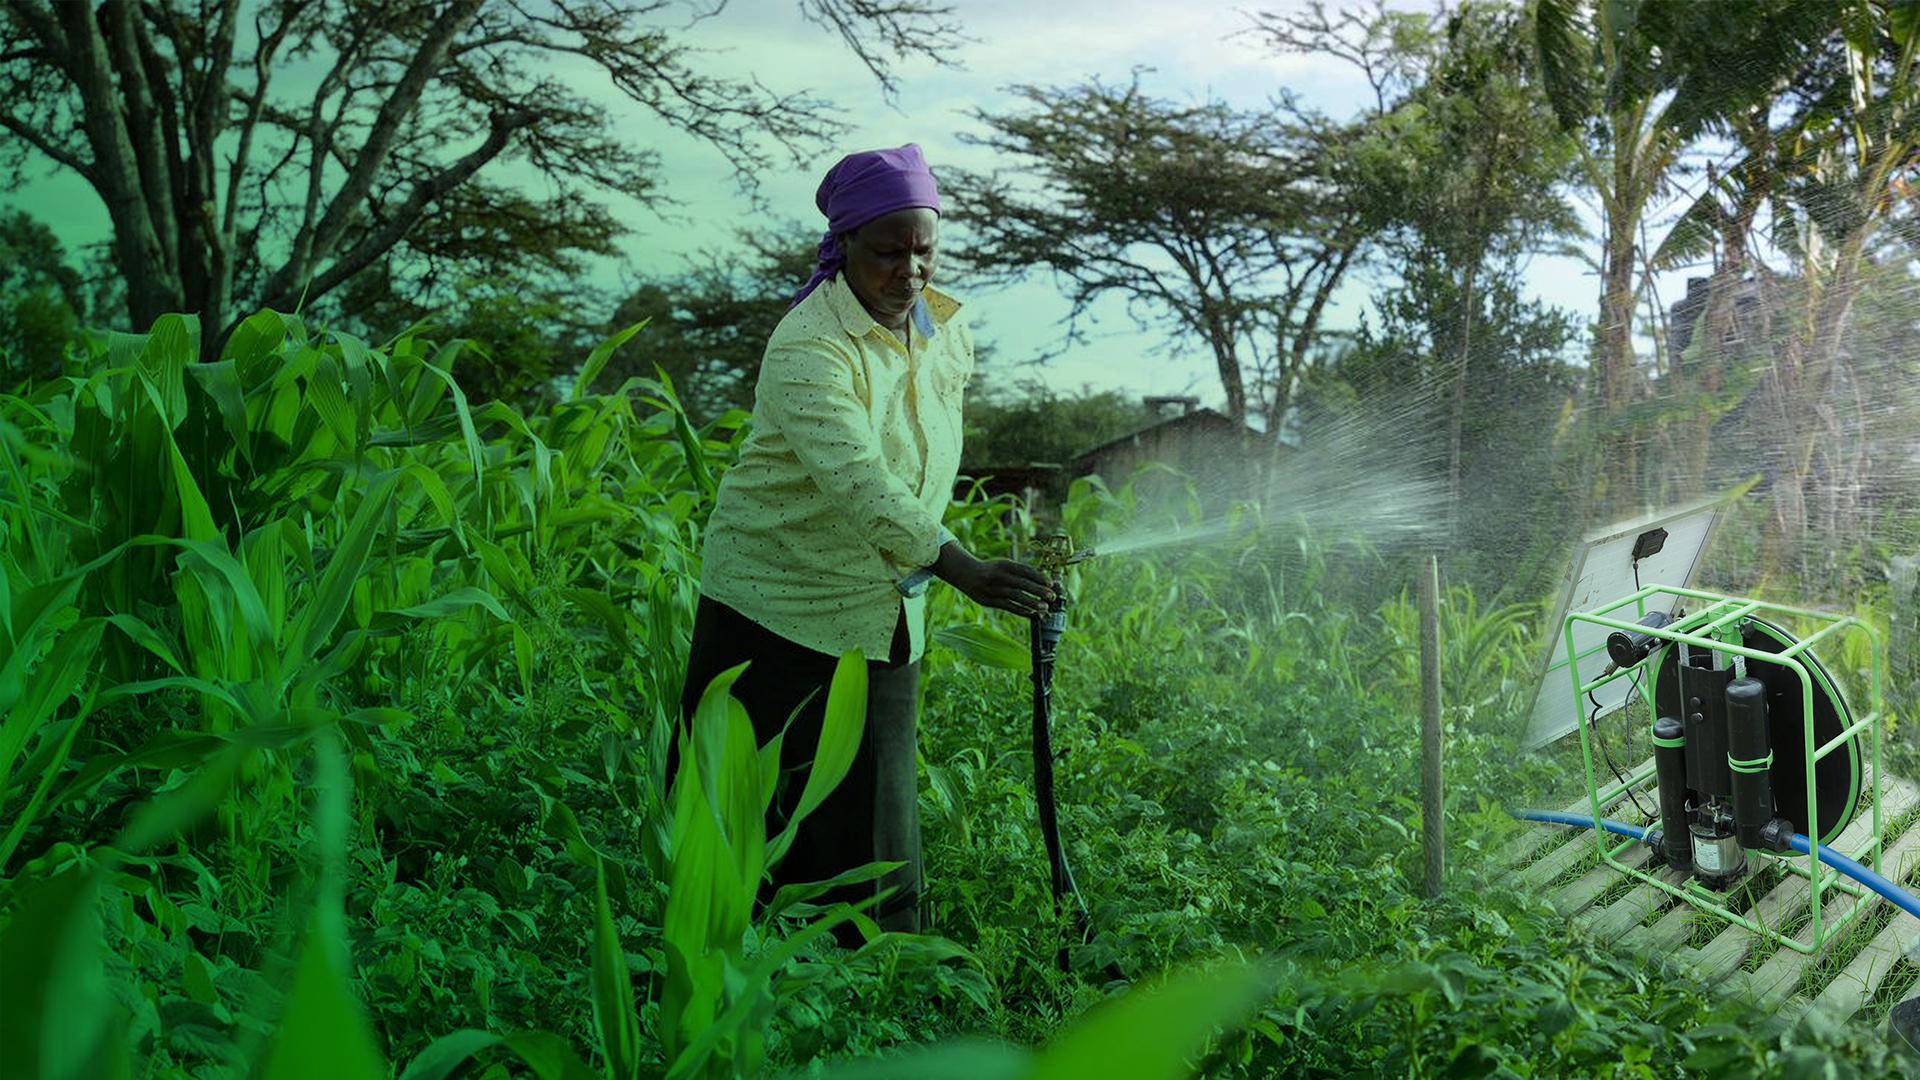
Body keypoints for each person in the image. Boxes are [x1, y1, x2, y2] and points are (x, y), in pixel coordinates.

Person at [679, 143, 1055, 940]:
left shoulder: (946, 328)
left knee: (877, 814)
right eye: (888, 251)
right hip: (775, 603)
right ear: (844, 243)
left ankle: (879, 976)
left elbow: (925, 453)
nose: (909, 271)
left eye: (924, 250)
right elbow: (860, 480)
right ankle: (745, 978)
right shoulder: (809, 344)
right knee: (755, 815)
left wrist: (945, 556)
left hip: (883, 605)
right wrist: (960, 566)